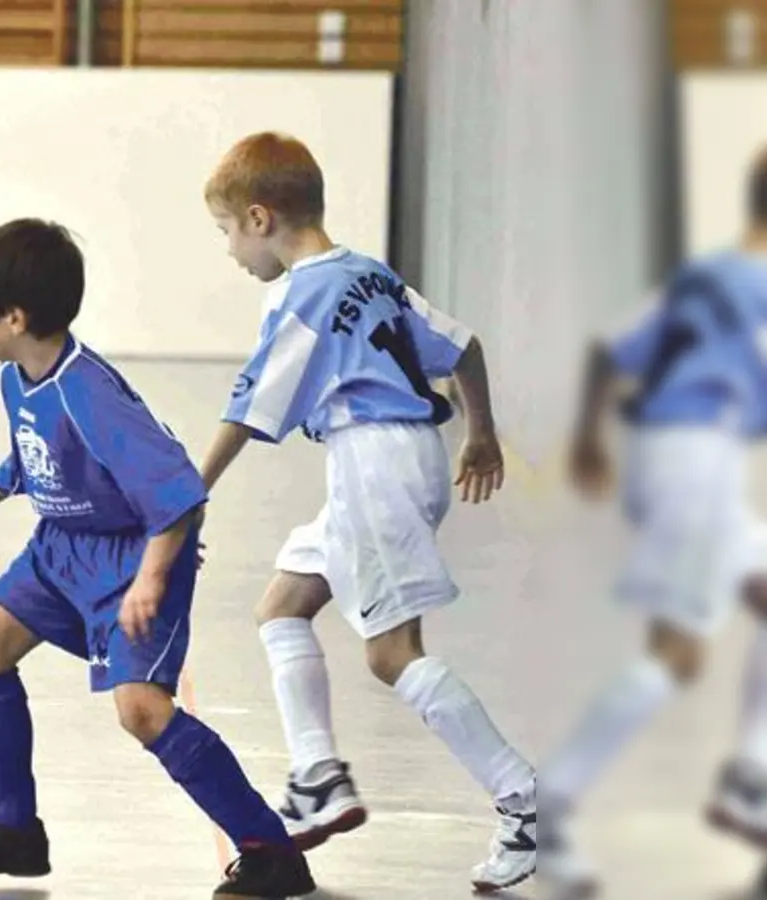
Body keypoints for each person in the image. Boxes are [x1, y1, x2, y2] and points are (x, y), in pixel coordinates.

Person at [0, 218, 315, 898]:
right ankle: (11, 828)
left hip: (133, 558)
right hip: (58, 549)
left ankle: (268, 847)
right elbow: (31, 451)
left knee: (142, 710)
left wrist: (150, 578)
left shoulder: (90, 390)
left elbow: (180, 493)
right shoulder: (19, 375)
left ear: (14, 316)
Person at [196, 132, 536, 893]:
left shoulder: (300, 293)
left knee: (391, 653)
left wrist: (188, 493)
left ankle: (523, 799)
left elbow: (250, 410)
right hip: (395, 458)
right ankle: (318, 772)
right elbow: (465, 345)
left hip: (374, 462)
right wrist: (479, 433)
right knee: (283, 604)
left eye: (224, 232)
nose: (228, 252)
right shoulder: (367, 275)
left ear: (259, 218)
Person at [538, 148, 767, 896]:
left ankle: (753, 776)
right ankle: (556, 803)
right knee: (676, 655)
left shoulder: (704, 276)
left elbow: (610, 349)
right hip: (696, 464)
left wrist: (586, 439)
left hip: (675, 459)